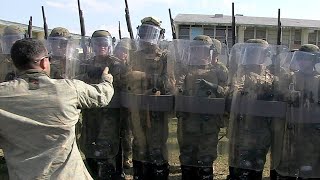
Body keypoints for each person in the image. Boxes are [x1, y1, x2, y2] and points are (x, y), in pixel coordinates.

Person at [0, 38, 114, 179]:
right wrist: (107, 79)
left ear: (16, 64)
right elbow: (103, 95)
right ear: (43, 62)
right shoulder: (70, 89)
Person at [227, 39, 288, 180]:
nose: (253, 56)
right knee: (242, 168)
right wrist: (251, 94)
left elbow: (283, 94)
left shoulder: (271, 76)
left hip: (262, 130)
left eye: (258, 53)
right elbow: (233, 92)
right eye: (251, 52)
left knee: (258, 165)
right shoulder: (241, 73)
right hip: (243, 130)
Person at [123, 16, 174, 180]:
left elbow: (170, 84)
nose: (147, 38)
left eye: (152, 33)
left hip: (157, 109)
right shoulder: (133, 56)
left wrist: (152, 80)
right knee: (139, 143)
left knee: (157, 145)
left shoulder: (165, 57)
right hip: (138, 108)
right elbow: (126, 78)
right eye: (144, 32)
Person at [175, 35, 228, 180]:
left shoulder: (218, 70)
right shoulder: (185, 69)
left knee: (206, 160)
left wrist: (214, 87)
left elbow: (227, 92)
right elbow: (176, 87)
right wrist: (180, 93)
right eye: (196, 50)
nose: (200, 54)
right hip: (188, 121)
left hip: (209, 122)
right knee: (187, 158)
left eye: (203, 51)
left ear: (209, 52)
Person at [80, 30, 126, 180]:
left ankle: (114, 172)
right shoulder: (86, 63)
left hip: (110, 112)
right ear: (92, 45)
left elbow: (123, 84)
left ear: (109, 44)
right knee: (89, 142)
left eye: (105, 43)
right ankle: (93, 171)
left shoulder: (116, 63)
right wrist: (87, 75)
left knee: (109, 143)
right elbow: (76, 82)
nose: (102, 46)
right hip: (90, 111)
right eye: (98, 43)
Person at [273, 44, 320, 180]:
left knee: (309, 167)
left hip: (312, 131)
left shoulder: (318, 79)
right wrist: (291, 95)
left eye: (306, 59)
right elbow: (279, 92)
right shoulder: (290, 77)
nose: (302, 61)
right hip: (291, 129)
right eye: (300, 58)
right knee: (287, 168)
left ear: (314, 60)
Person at [114, 37, 133, 170]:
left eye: (125, 52)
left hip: (128, 105)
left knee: (127, 132)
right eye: (120, 51)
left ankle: (127, 157)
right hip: (114, 104)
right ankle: (116, 156)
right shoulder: (112, 65)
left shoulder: (132, 67)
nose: (123, 54)